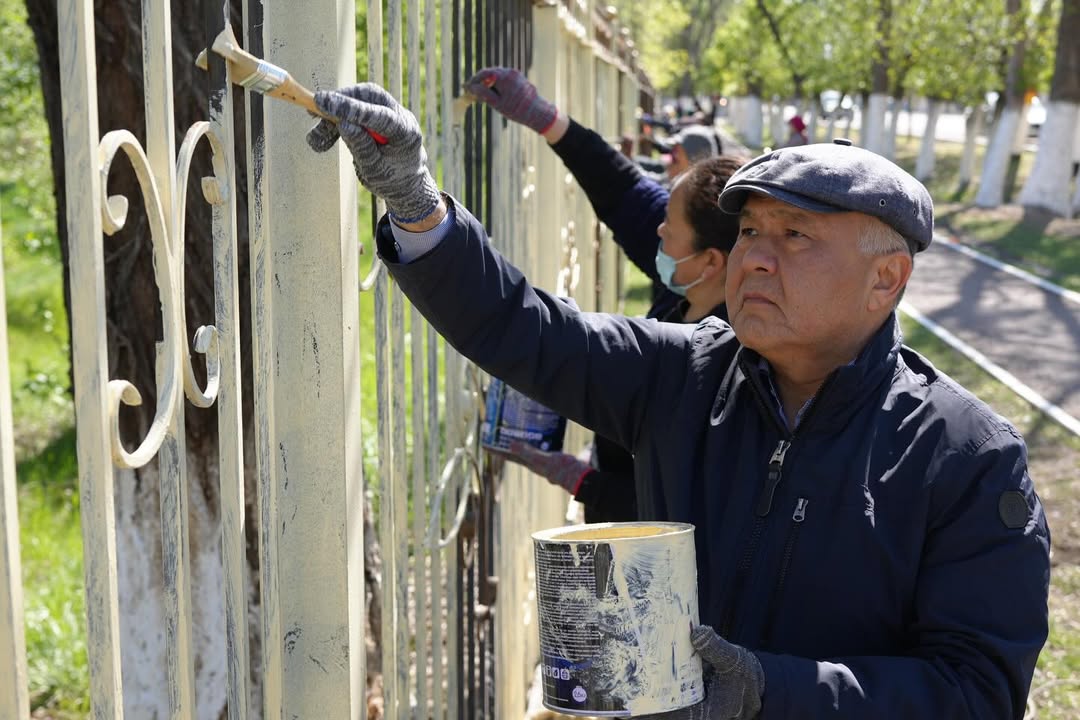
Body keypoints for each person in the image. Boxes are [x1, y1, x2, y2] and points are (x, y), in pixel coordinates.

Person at [307, 83, 1051, 719]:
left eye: (795, 235)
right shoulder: (682, 373)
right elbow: (523, 327)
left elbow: (977, 693)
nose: (756, 255)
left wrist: (772, 691)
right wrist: (414, 200)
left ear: (885, 280)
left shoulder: (967, 457)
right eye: (753, 229)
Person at [463, 67, 744, 523]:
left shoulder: (724, 373)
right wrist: (547, 120)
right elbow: (623, 189)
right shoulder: (692, 281)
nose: (657, 232)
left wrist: (577, 479)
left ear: (711, 261)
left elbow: (681, 512)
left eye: (668, 228)